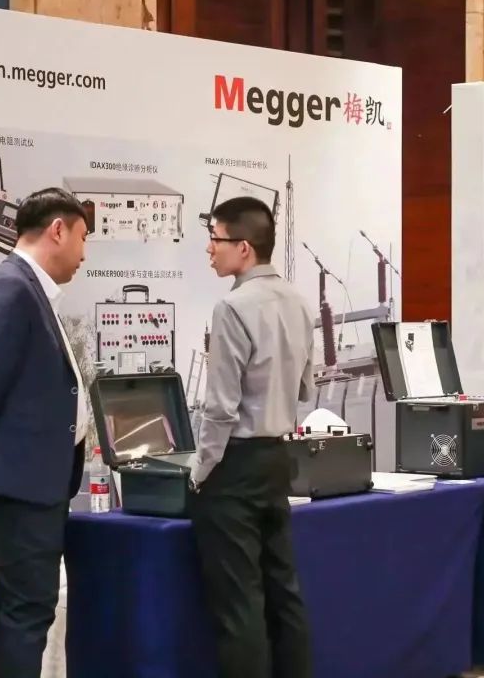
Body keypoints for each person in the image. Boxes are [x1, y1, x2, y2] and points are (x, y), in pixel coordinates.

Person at [0, 187, 89, 678]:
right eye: (83, 238)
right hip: (19, 482)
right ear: (58, 230)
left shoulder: (30, 291)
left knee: (31, 608)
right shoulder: (10, 289)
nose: (84, 254)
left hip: (35, 480)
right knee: (26, 611)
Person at [188, 196, 314, 678]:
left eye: (215, 239)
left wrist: (200, 471)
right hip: (277, 459)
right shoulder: (298, 301)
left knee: (239, 604)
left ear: (243, 247)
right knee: (285, 593)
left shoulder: (232, 308)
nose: (209, 248)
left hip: (235, 468)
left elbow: (220, 408)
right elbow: (306, 387)